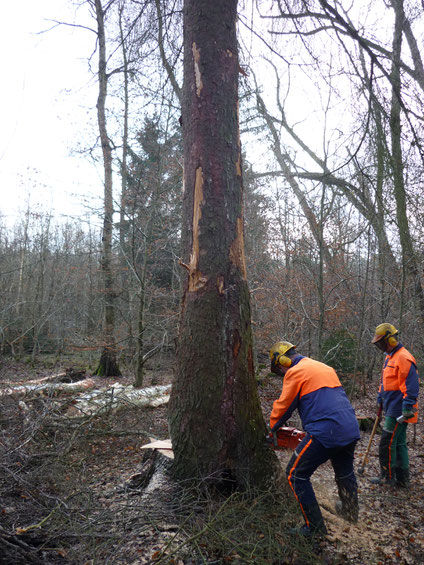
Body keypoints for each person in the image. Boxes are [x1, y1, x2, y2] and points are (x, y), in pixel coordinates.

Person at [269, 341, 360, 538]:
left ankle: (314, 529)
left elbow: (284, 407)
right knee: (344, 472)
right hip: (349, 426)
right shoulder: (322, 367)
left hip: (326, 430)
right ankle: (351, 512)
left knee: (295, 474)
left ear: (283, 361)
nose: (282, 373)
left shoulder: (296, 371)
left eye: (279, 369)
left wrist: (270, 428)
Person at [370, 323, 419, 488]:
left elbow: (411, 386)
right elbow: (385, 381)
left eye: (381, 343)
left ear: (390, 340)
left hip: (399, 409)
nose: (380, 347)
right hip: (390, 405)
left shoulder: (404, 357)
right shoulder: (389, 357)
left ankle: (387, 476)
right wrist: (380, 397)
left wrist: (408, 406)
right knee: (398, 442)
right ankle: (402, 478)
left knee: (387, 442)